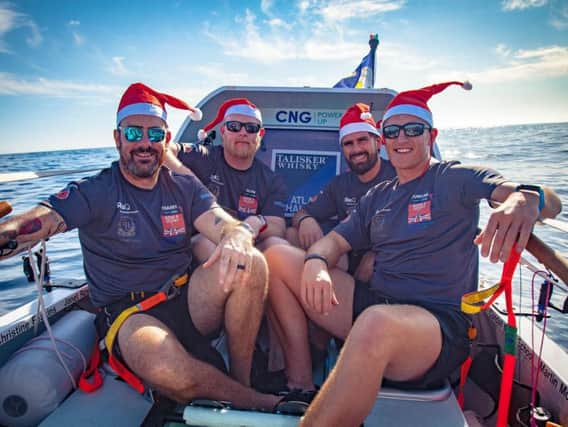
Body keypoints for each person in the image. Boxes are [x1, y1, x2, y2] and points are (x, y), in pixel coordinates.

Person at [263, 81, 562, 426]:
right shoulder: (378, 196)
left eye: (412, 129)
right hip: (380, 303)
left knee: (376, 322)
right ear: (384, 140)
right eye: (393, 131)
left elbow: (549, 201)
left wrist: (526, 198)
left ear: (430, 135)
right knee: (278, 257)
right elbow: (334, 243)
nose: (402, 138)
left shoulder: (453, 177)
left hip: (436, 325)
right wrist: (316, 262)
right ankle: (300, 385)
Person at [0, 83, 292, 412]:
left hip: (186, 300)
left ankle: (243, 380)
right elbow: (42, 219)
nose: (144, 143)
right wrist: (8, 232)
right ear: (117, 138)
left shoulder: (183, 186)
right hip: (131, 315)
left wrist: (237, 234)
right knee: (170, 370)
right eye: (134, 132)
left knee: (251, 262)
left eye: (154, 135)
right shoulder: (95, 191)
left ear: (166, 141)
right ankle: (263, 404)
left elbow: (218, 220)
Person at [166, 98, 288, 261]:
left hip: (248, 245)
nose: (243, 133)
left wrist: (256, 222)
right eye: (234, 127)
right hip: (202, 244)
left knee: (279, 246)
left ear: (260, 134)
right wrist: (190, 179)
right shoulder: (204, 156)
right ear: (223, 131)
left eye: (251, 128)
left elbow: (278, 227)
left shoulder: (270, 179)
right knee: (210, 244)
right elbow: (164, 148)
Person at [288, 103, 396, 282]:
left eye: (362, 140)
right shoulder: (340, 184)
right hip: (347, 258)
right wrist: (306, 220)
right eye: (348, 144)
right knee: (292, 234)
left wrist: (375, 254)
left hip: (388, 263)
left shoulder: (398, 175)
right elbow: (301, 212)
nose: (356, 149)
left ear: (377, 142)